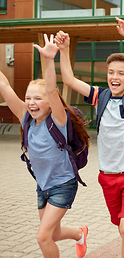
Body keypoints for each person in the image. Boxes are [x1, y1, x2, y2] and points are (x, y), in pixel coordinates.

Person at [55, 17, 124, 258]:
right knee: (122, 227)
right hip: (107, 177)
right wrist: (65, 50)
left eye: (121, 73)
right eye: (111, 72)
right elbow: (68, 80)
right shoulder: (102, 96)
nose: (115, 76)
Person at [0, 33, 90, 258]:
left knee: (42, 237)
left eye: (37, 99)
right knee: (53, 233)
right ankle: (80, 234)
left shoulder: (58, 120)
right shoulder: (26, 118)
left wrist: (48, 60)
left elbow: (51, 89)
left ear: (51, 103)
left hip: (63, 185)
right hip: (43, 185)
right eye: (28, 97)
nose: (31, 102)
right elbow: (4, 85)